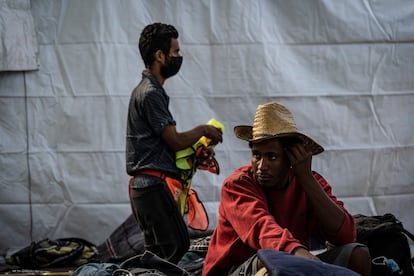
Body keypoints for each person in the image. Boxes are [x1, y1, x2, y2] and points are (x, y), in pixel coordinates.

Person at [202, 102, 371, 276]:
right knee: (272, 260)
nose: (261, 166)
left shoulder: (309, 182)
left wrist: (306, 179)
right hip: (237, 269)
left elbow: (346, 235)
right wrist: (301, 255)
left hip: (290, 260)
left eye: (272, 157)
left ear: (291, 158)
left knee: (358, 254)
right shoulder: (237, 185)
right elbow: (262, 229)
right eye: (257, 155)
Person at [126, 22, 223, 264]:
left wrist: (197, 154)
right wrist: (204, 130)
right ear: (160, 56)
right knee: (176, 249)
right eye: (175, 52)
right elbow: (175, 141)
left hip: (146, 188)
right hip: (152, 188)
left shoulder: (147, 91)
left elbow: (167, 147)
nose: (179, 57)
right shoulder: (150, 93)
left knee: (158, 254)